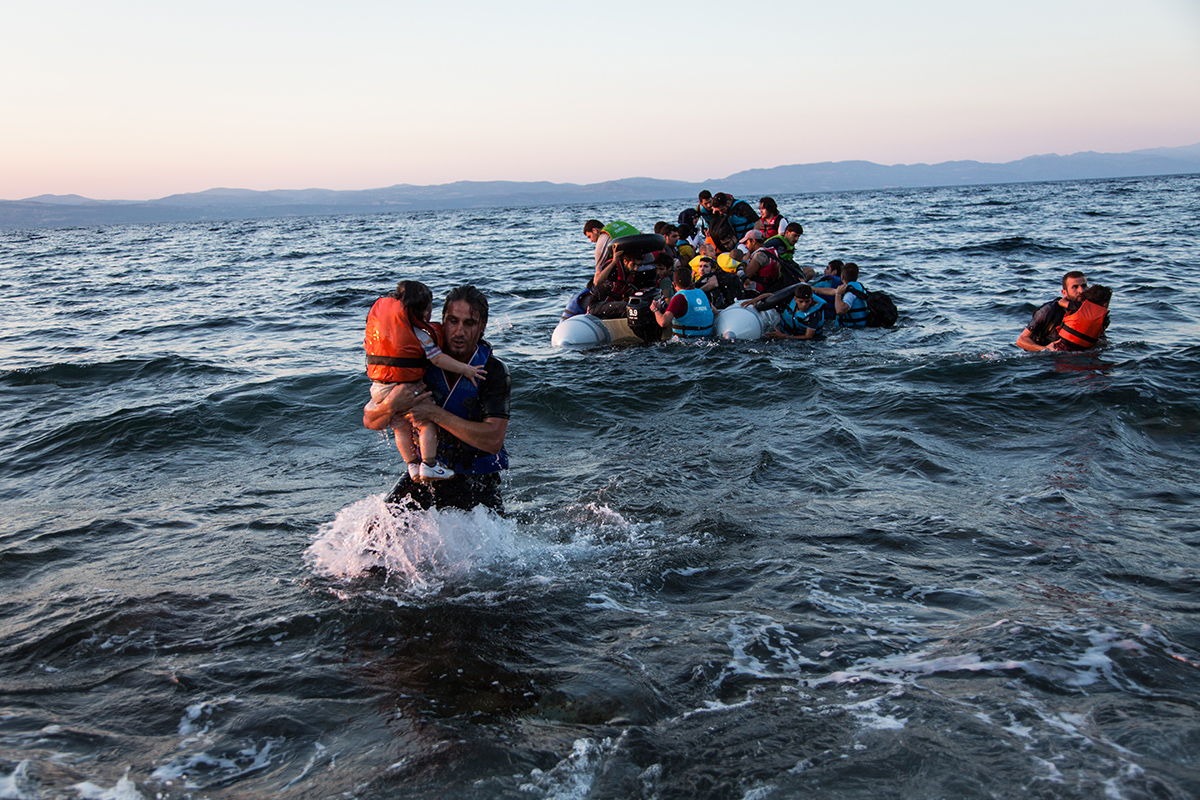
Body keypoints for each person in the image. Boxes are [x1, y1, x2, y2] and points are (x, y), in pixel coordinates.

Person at [364, 285, 510, 513]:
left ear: (482, 327)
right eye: (452, 321)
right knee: (374, 536)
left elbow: (493, 441)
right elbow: (371, 421)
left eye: (469, 323)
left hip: (476, 478)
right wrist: (392, 405)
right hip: (426, 475)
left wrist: (433, 413)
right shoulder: (419, 360)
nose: (459, 331)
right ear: (441, 320)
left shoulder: (492, 371)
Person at [1015, 271, 1105, 352]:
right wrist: (1046, 349)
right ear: (1064, 293)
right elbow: (1021, 340)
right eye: (1075, 287)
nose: (1081, 291)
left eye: (1084, 286)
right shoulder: (1050, 310)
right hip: (1048, 361)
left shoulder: (1092, 312)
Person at [653, 266, 714, 338]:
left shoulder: (679, 298)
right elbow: (715, 311)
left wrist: (655, 309)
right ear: (691, 282)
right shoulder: (701, 293)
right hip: (706, 341)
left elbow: (663, 322)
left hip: (685, 343)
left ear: (674, 284)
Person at [1047, 284, 1112, 351]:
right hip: (1085, 349)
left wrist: (1066, 296)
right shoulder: (1105, 318)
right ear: (1105, 304)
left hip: (1062, 346)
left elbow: (1061, 302)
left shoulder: (1079, 306)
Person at [832, 262, 869, 327]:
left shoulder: (850, 293)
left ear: (842, 277)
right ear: (857, 276)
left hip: (852, 329)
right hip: (861, 326)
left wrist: (838, 294)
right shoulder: (859, 287)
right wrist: (813, 288)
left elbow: (840, 310)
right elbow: (831, 291)